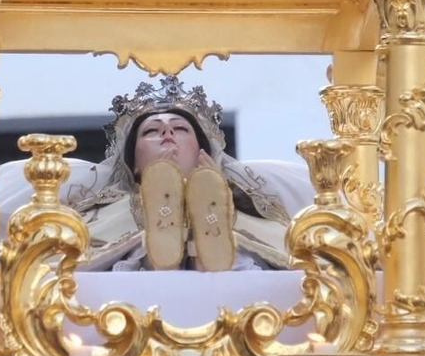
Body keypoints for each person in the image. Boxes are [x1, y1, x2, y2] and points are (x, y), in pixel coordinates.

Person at [60, 76, 303, 271]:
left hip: (221, 270)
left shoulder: (244, 206)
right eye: (151, 131)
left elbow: (296, 255)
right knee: (126, 254)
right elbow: (63, 259)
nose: (167, 132)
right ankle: (160, 247)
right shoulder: (108, 210)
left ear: (202, 152)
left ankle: (207, 230)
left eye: (180, 128)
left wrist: (216, 191)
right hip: (142, 283)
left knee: (245, 253)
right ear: (132, 164)